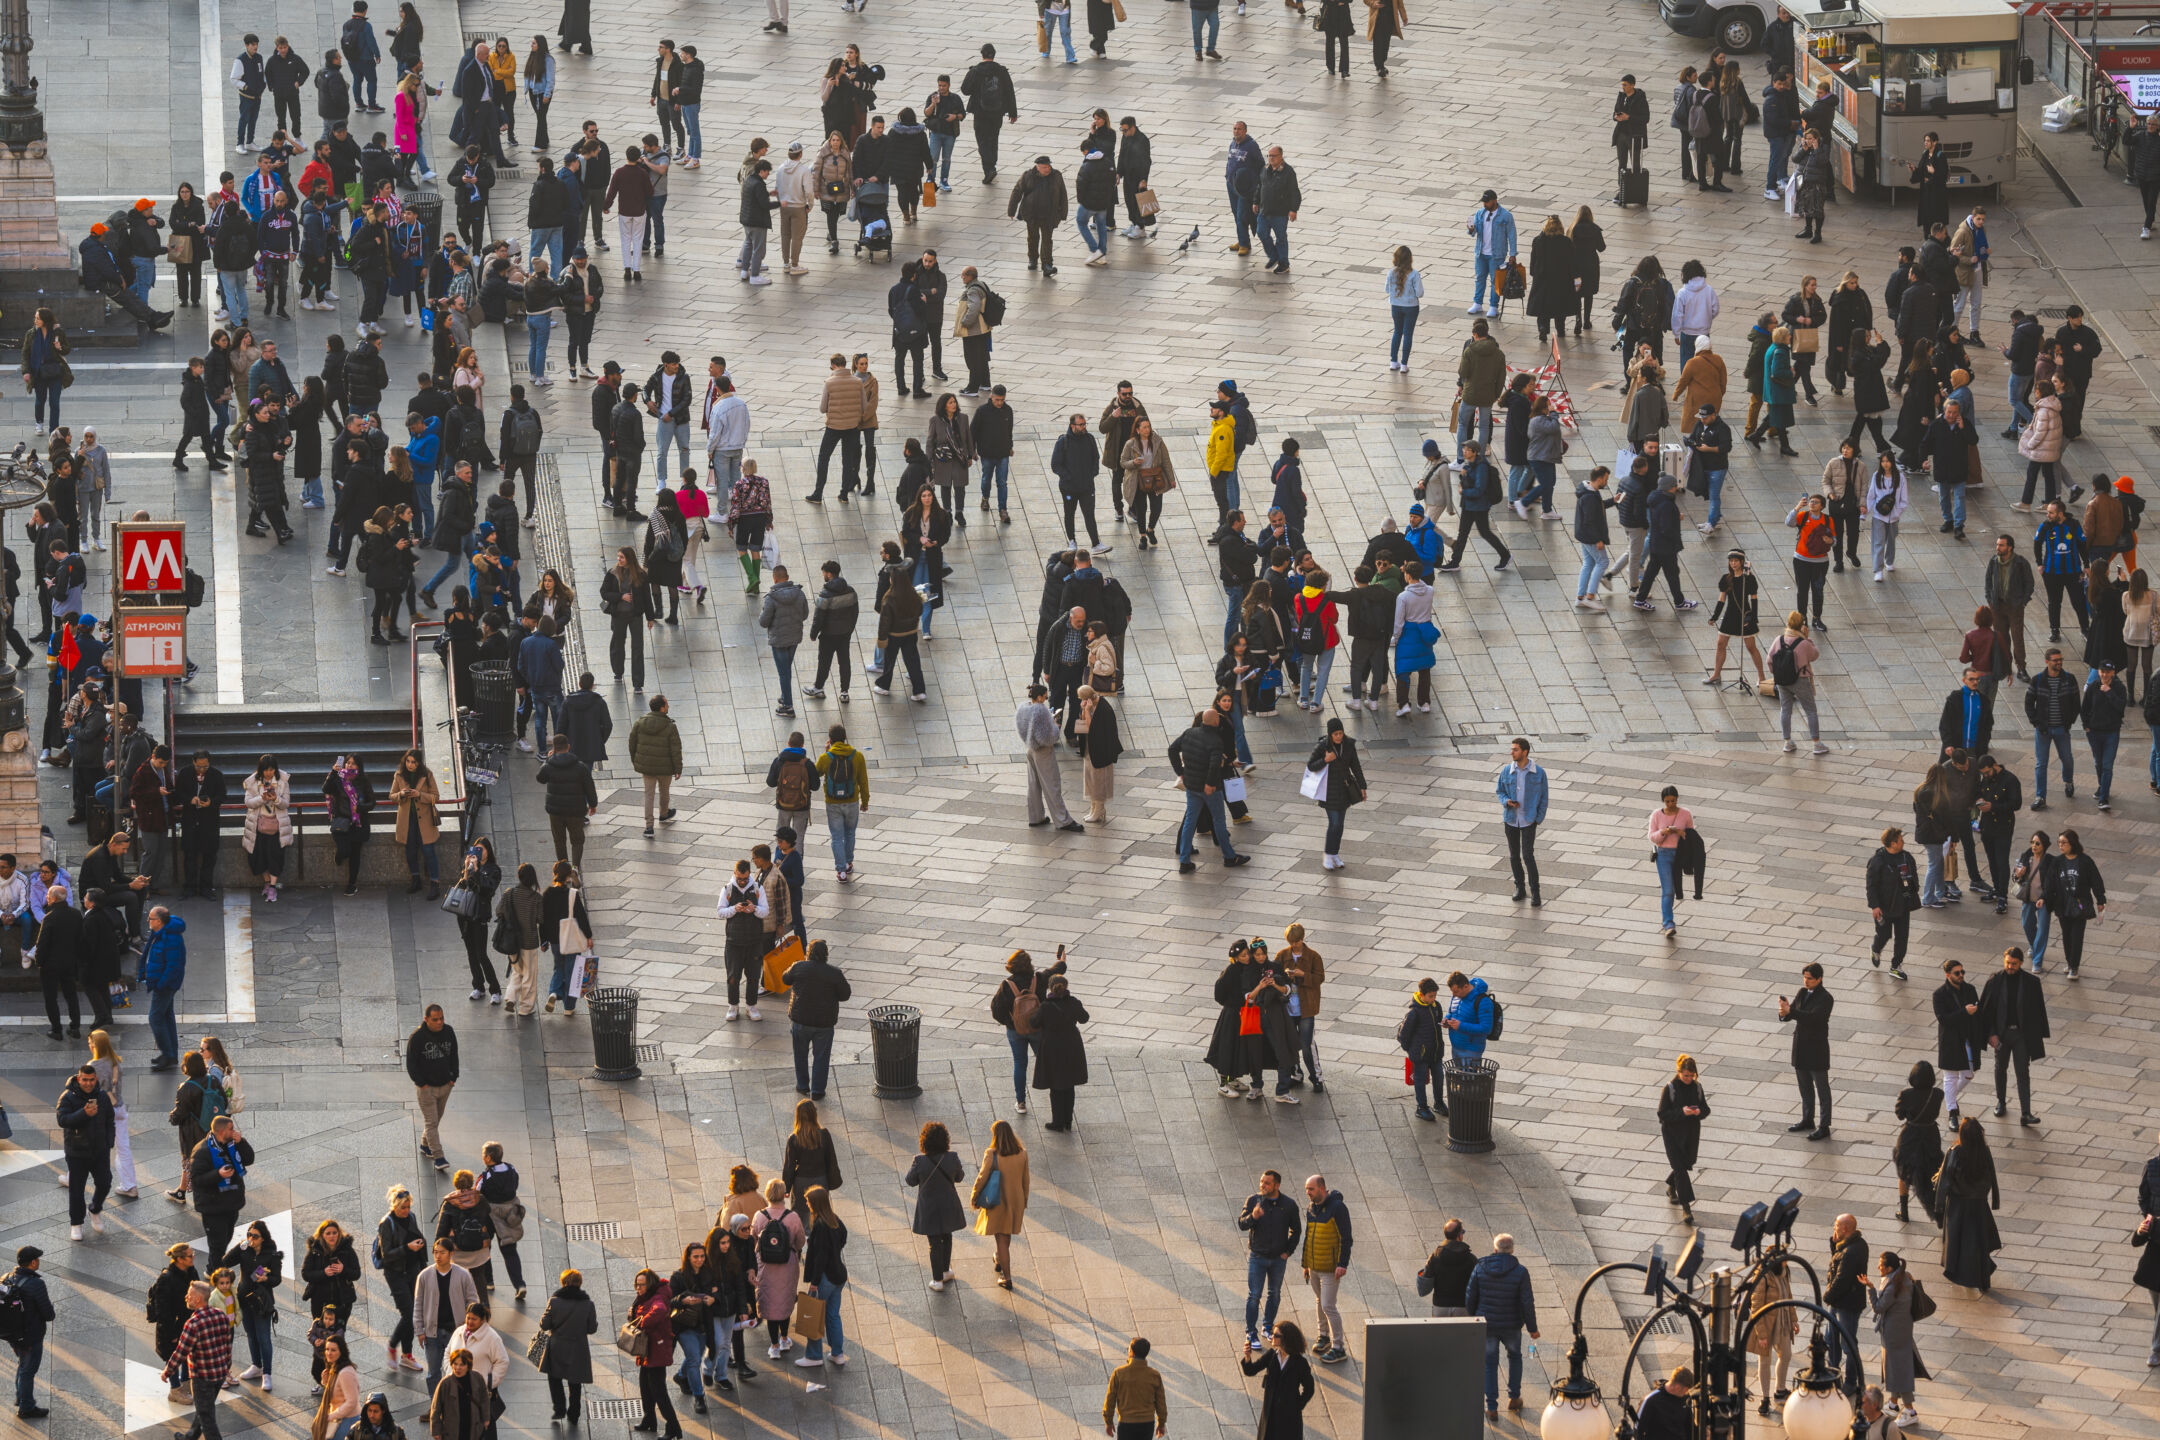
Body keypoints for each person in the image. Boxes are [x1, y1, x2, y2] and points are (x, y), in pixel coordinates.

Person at [1465, 1235, 1538, 1418]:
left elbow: (1470, 1296)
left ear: (1495, 1249)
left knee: (1489, 1363)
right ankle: (1514, 1397)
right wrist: (1532, 1328)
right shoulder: (1521, 1272)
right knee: (1515, 1357)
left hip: (1487, 1324)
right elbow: (1527, 1302)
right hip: (1512, 1324)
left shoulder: (1480, 1268)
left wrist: (1474, 1317)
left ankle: (1491, 1407)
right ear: (1512, 1250)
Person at [1236, 1171, 1300, 1349]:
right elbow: (1241, 1224)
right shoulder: (1253, 1200)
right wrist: (1253, 1217)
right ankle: (1251, 1331)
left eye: (1267, 1183)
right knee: (1254, 1295)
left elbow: (1296, 1230)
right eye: (1261, 1182)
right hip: (1258, 1256)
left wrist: (1288, 1251)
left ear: (1276, 1186)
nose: (1262, 1186)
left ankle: (1268, 1326)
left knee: (1275, 1293)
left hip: (1278, 1259)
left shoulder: (1288, 1205)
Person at [164, 1280, 235, 1440]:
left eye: (189, 1295)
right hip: (219, 1374)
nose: (186, 1297)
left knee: (207, 1417)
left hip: (202, 1379)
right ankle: (190, 1437)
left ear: (197, 1299)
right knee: (205, 1410)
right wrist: (226, 1367)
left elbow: (181, 1352)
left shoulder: (193, 1324)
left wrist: (167, 1371)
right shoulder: (221, 1315)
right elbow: (227, 1345)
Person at [1938, 1119, 2001, 1293]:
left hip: (1958, 1205)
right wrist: (1991, 1198)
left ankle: (1963, 1274)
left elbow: (1945, 1180)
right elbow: (1991, 1178)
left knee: (1959, 1242)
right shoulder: (1984, 1151)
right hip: (1979, 1204)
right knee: (1978, 1241)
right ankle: (1983, 1279)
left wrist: (1939, 1207)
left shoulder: (1955, 1152)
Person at [781, 940, 850, 1099]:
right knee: (821, 1057)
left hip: (800, 1020)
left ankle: (802, 1085)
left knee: (800, 1054)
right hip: (824, 1023)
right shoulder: (834, 973)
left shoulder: (799, 967)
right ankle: (818, 1091)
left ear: (808, 953)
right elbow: (845, 995)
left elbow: (785, 979)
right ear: (826, 954)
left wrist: (794, 966)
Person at [969, 1118, 1029, 1290]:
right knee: (1005, 1234)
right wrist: (1024, 1200)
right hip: (1015, 1200)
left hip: (997, 1200)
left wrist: (975, 1196)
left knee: (1001, 1238)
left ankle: (1007, 1277)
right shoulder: (1022, 1153)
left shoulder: (992, 1154)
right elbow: (1026, 1180)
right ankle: (998, 1257)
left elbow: (982, 1177)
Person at [904, 1122, 965, 1290]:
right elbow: (959, 1177)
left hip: (929, 1207)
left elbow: (910, 1181)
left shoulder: (919, 1161)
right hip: (948, 1204)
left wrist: (914, 1165)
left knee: (934, 1242)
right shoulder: (952, 1157)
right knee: (947, 1236)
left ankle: (937, 1280)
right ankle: (945, 1270)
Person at [1779, 961, 1834, 1139]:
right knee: (1805, 1087)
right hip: (1801, 1047)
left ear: (1819, 979)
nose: (1806, 981)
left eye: (1809, 978)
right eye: (1804, 978)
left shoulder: (1826, 998)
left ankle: (1824, 1125)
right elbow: (1792, 1013)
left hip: (1816, 1050)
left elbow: (1813, 1018)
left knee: (1822, 1090)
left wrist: (1791, 1012)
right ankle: (1807, 1119)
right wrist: (1784, 1012)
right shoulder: (1802, 993)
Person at [1655, 1055, 1708, 1223]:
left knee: (1687, 1163)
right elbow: (1662, 1114)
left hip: (1691, 1133)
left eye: (1691, 1076)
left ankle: (1671, 1187)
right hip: (1672, 1134)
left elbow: (1706, 1109)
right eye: (1685, 1075)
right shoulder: (1670, 1088)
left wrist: (1699, 1112)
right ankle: (1686, 1208)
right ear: (1679, 1073)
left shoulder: (1697, 1087)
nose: (1688, 1079)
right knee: (1681, 1170)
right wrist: (1681, 1112)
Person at [1494, 738, 1545, 906]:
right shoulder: (1507, 771)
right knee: (1514, 856)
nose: (1512, 752)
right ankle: (1520, 888)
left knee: (1528, 856)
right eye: (1512, 749)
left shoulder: (1538, 773)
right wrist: (1506, 801)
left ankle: (1535, 892)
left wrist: (1538, 818)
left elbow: (1544, 797)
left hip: (1529, 820)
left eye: (1515, 750)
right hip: (1511, 819)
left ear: (1525, 752)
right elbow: (1500, 791)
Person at [1745, 1256, 1795, 1416]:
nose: (1786, 1263)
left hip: (1783, 1321)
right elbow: (1756, 1306)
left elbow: (1789, 1295)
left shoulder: (1784, 1272)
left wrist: (1793, 1319)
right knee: (1764, 1360)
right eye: (1784, 1261)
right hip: (1766, 1323)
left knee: (1786, 1354)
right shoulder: (1763, 1276)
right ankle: (1765, 1397)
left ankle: (1780, 1390)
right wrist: (1762, 1334)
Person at [1823, 1213, 1869, 1389]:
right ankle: (1833, 1374)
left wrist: (1827, 1297)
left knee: (1848, 1343)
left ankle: (1851, 1381)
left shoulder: (1851, 1251)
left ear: (1845, 1228)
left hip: (1847, 1305)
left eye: (1836, 1226)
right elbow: (1837, 1260)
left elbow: (1842, 1279)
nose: (1834, 1228)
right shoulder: (1851, 1245)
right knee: (1831, 1338)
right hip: (1839, 1302)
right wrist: (1834, 1244)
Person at [1103, 1337, 1167, 1440]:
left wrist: (1109, 1422)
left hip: (1126, 1423)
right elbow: (1161, 1402)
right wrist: (1161, 1423)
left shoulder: (1119, 1373)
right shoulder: (1154, 1375)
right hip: (1147, 1424)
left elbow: (1110, 1400)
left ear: (1131, 1352)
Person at [1635, 1367, 1695, 1440]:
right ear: (1678, 1387)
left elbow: (1689, 1427)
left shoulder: (1685, 1398)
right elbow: (1637, 1429)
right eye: (1686, 1390)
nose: (1687, 1393)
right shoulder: (1651, 1400)